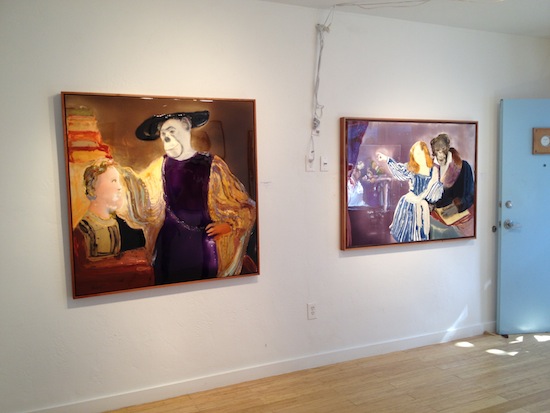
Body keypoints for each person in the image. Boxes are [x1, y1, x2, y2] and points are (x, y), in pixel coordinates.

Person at [135, 111, 256, 284]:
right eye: (163, 134)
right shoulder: (159, 166)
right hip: (169, 244)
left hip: (203, 244)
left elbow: (244, 206)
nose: (167, 138)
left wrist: (229, 225)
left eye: (171, 131)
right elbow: (139, 194)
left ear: (186, 126)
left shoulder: (212, 165)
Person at [72, 158, 154, 296]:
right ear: (93, 189)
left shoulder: (131, 231)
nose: (119, 187)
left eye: (119, 181)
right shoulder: (81, 234)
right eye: (113, 181)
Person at [376, 141, 443, 243]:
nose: (417, 157)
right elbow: (399, 170)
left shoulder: (433, 170)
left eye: (419, 153)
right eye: (415, 155)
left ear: (425, 152)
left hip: (422, 206)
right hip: (407, 204)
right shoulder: (412, 167)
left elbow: (433, 190)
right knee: (404, 238)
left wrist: (420, 199)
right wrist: (387, 159)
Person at [429, 133, 475, 238]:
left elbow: (470, 195)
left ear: (447, 148)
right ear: (434, 152)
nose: (440, 154)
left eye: (443, 149)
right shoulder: (431, 169)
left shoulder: (463, 167)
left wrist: (456, 207)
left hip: (462, 218)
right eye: (437, 150)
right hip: (438, 217)